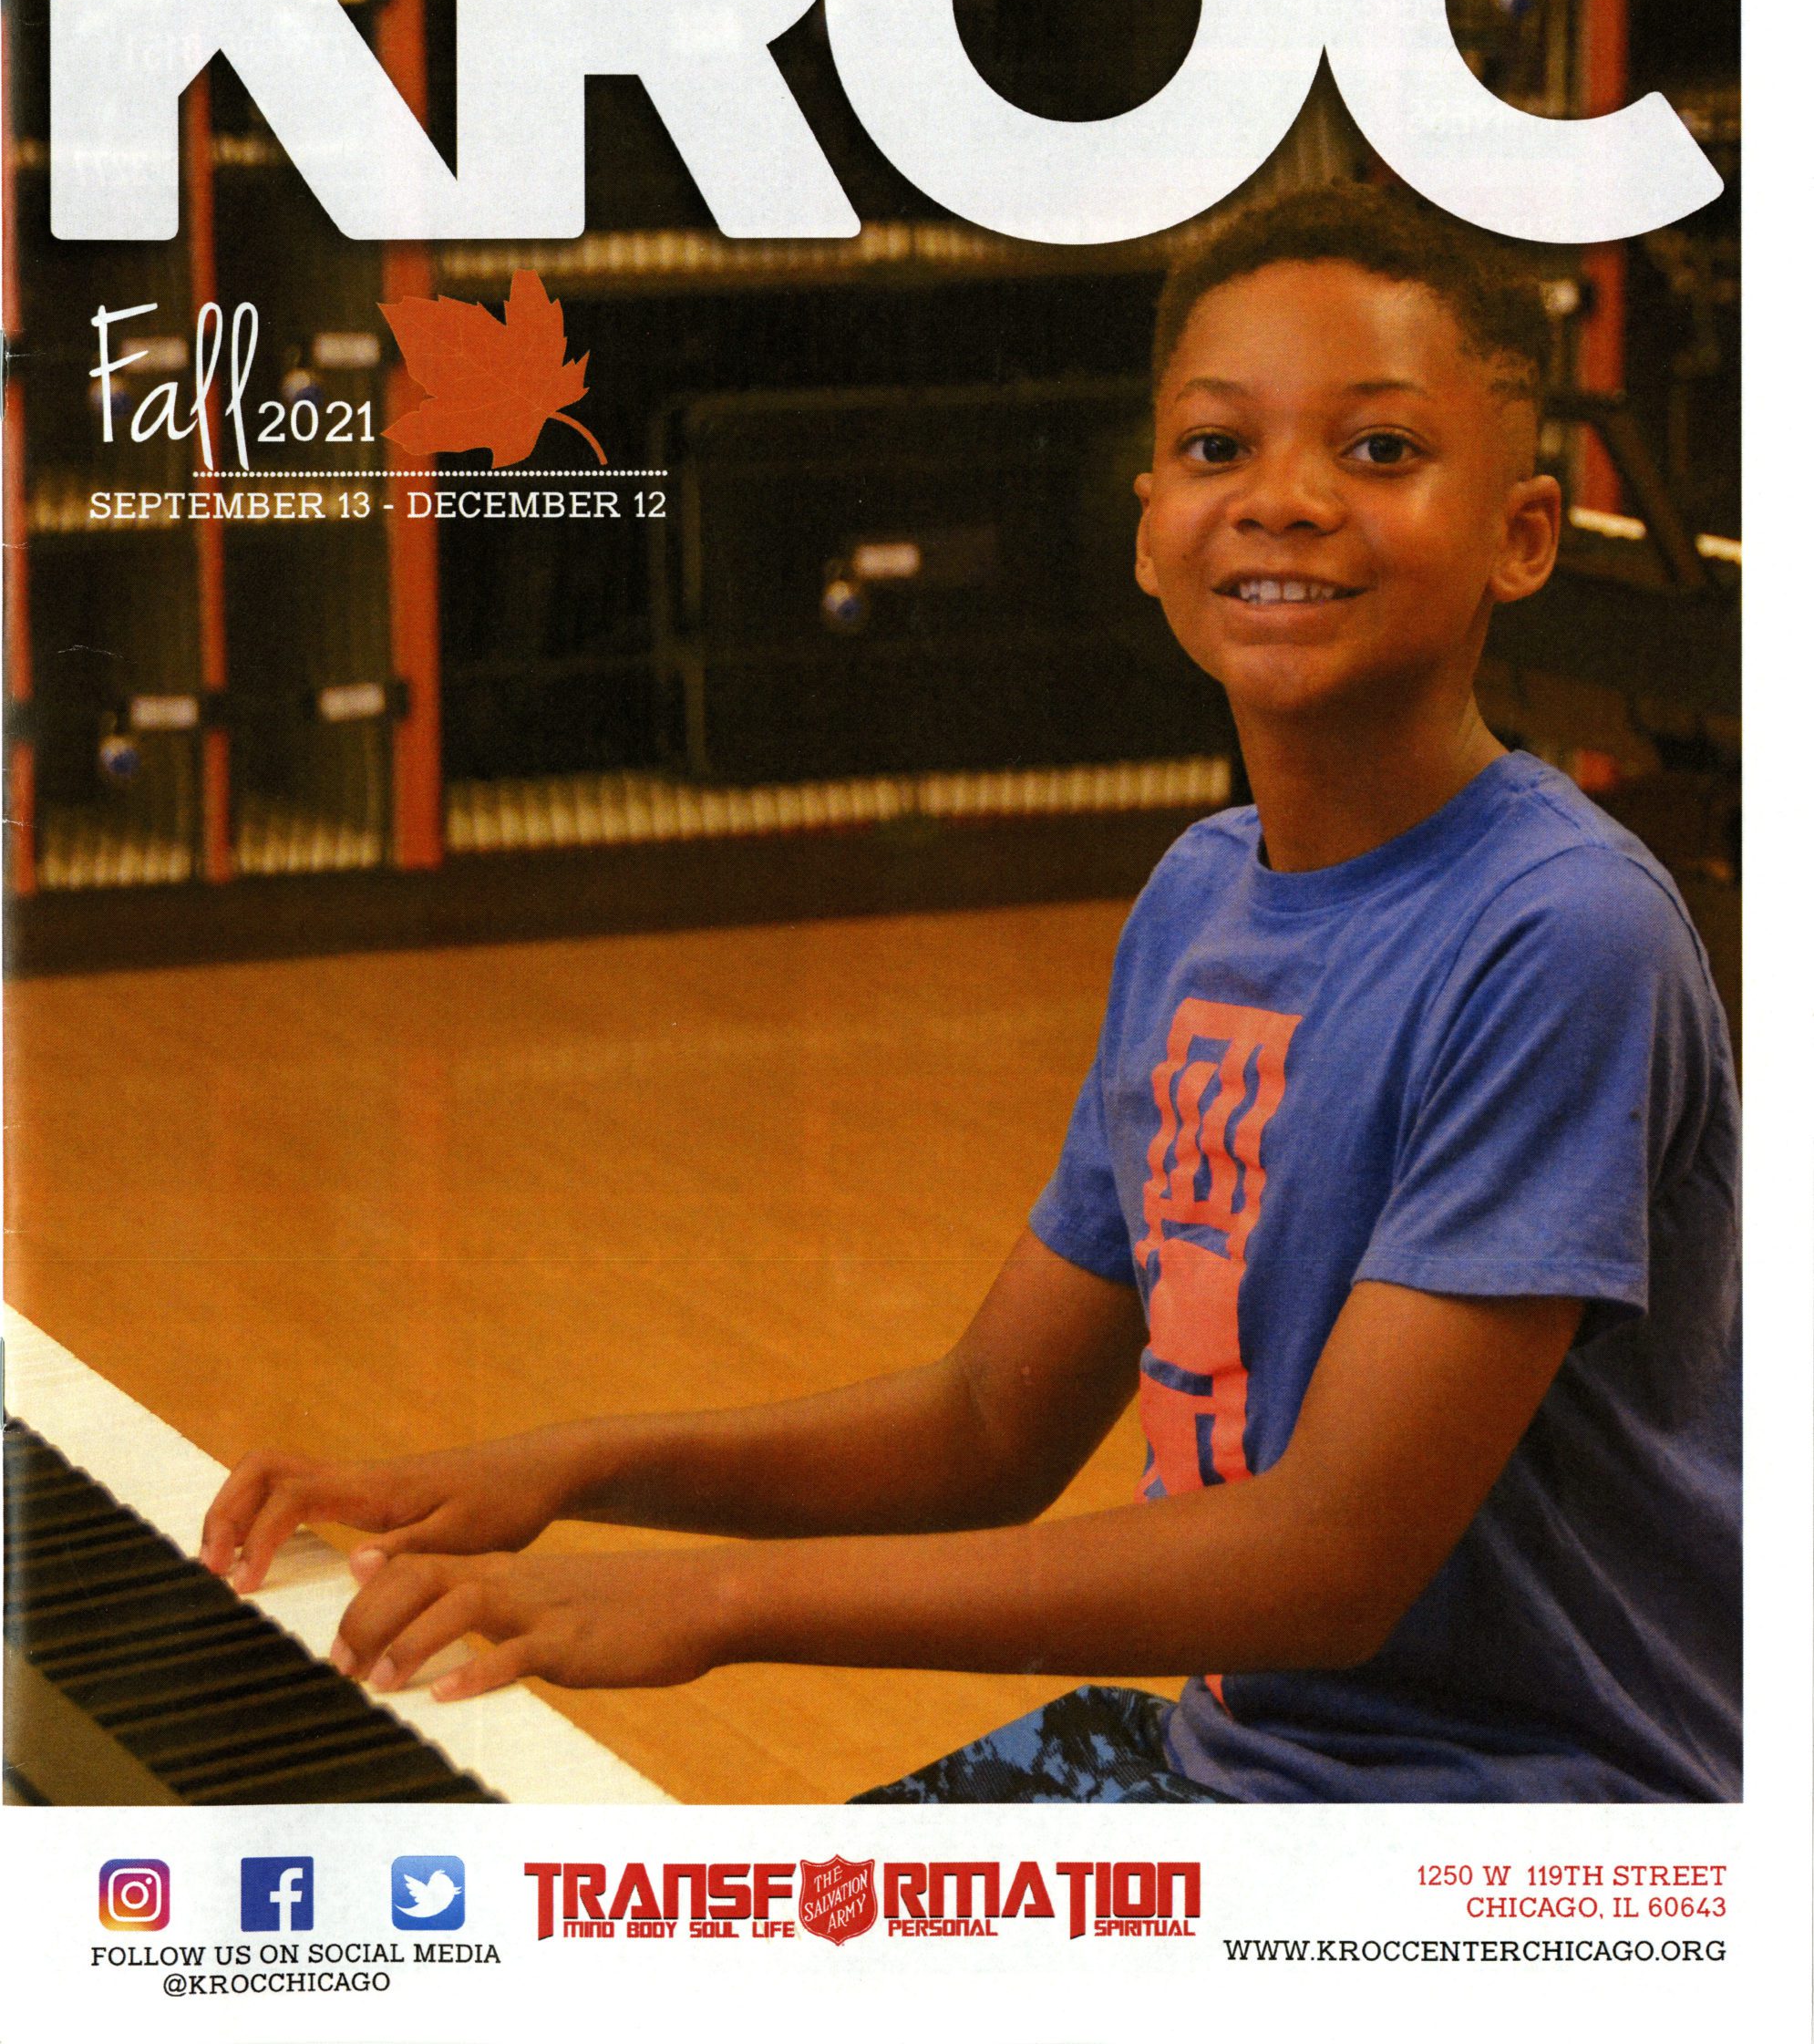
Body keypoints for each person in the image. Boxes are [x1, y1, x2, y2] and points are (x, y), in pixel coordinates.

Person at [201, 184, 1739, 1803]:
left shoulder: (1560, 934)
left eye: (1378, 450)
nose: (1284, 499)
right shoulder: (1201, 897)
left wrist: (711, 1598)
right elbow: (988, 1427)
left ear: (1524, 533)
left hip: (1530, 1839)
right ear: (1147, 524)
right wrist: (566, 1470)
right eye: (1220, 449)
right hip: (1252, 1760)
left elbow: (1326, 1560)